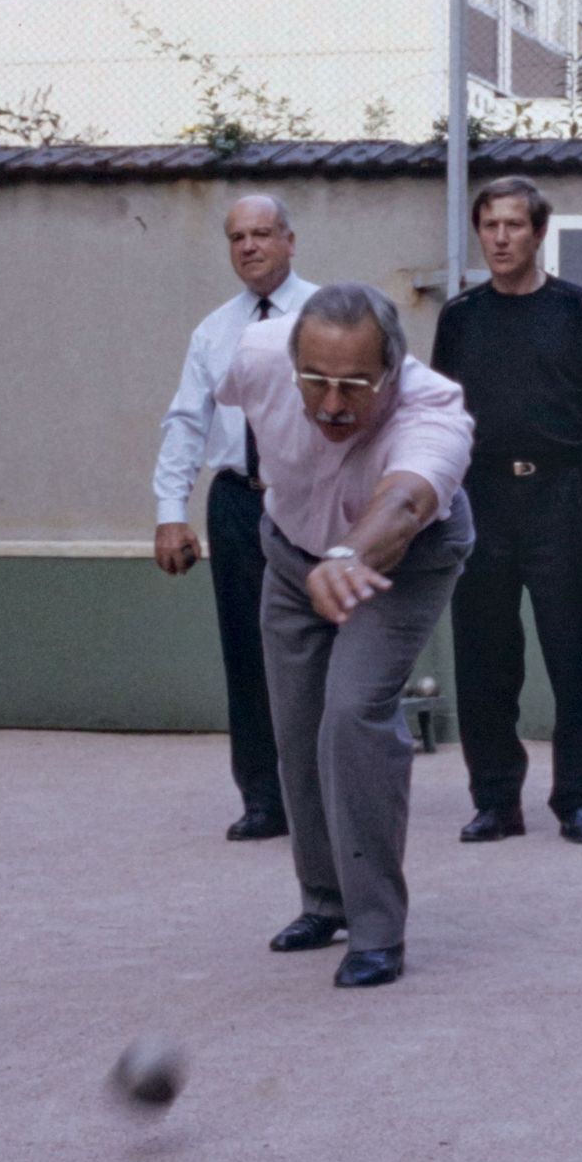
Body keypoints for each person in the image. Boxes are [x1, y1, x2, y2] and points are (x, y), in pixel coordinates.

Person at [217, 282, 477, 989]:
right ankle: (325, 900)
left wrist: (349, 557)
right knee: (297, 724)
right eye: (317, 381)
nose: (332, 404)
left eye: (355, 385)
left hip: (401, 559)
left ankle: (376, 929)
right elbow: (201, 407)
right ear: (293, 359)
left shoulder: (433, 407)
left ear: (391, 372)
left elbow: (407, 499)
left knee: (353, 715)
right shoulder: (258, 352)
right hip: (291, 550)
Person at [432, 177, 582, 846]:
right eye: (489, 225)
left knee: (575, 653)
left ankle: (577, 799)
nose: (501, 237)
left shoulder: (578, 312)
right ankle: (495, 800)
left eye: (514, 225)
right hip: (480, 497)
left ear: (538, 233)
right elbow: (443, 417)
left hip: (560, 498)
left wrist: (572, 482)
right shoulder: (460, 317)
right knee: (484, 656)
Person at [152, 195, 318, 842]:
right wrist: (171, 511)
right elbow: (185, 422)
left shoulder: (332, 313)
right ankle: (262, 796)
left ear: (290, 240)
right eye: (236, 237)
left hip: (308, 498)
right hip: (237, 501)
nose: (249, 246)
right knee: (247, 653)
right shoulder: (214, 329)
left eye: (262, 234)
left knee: (316, 648)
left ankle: (324, 787)